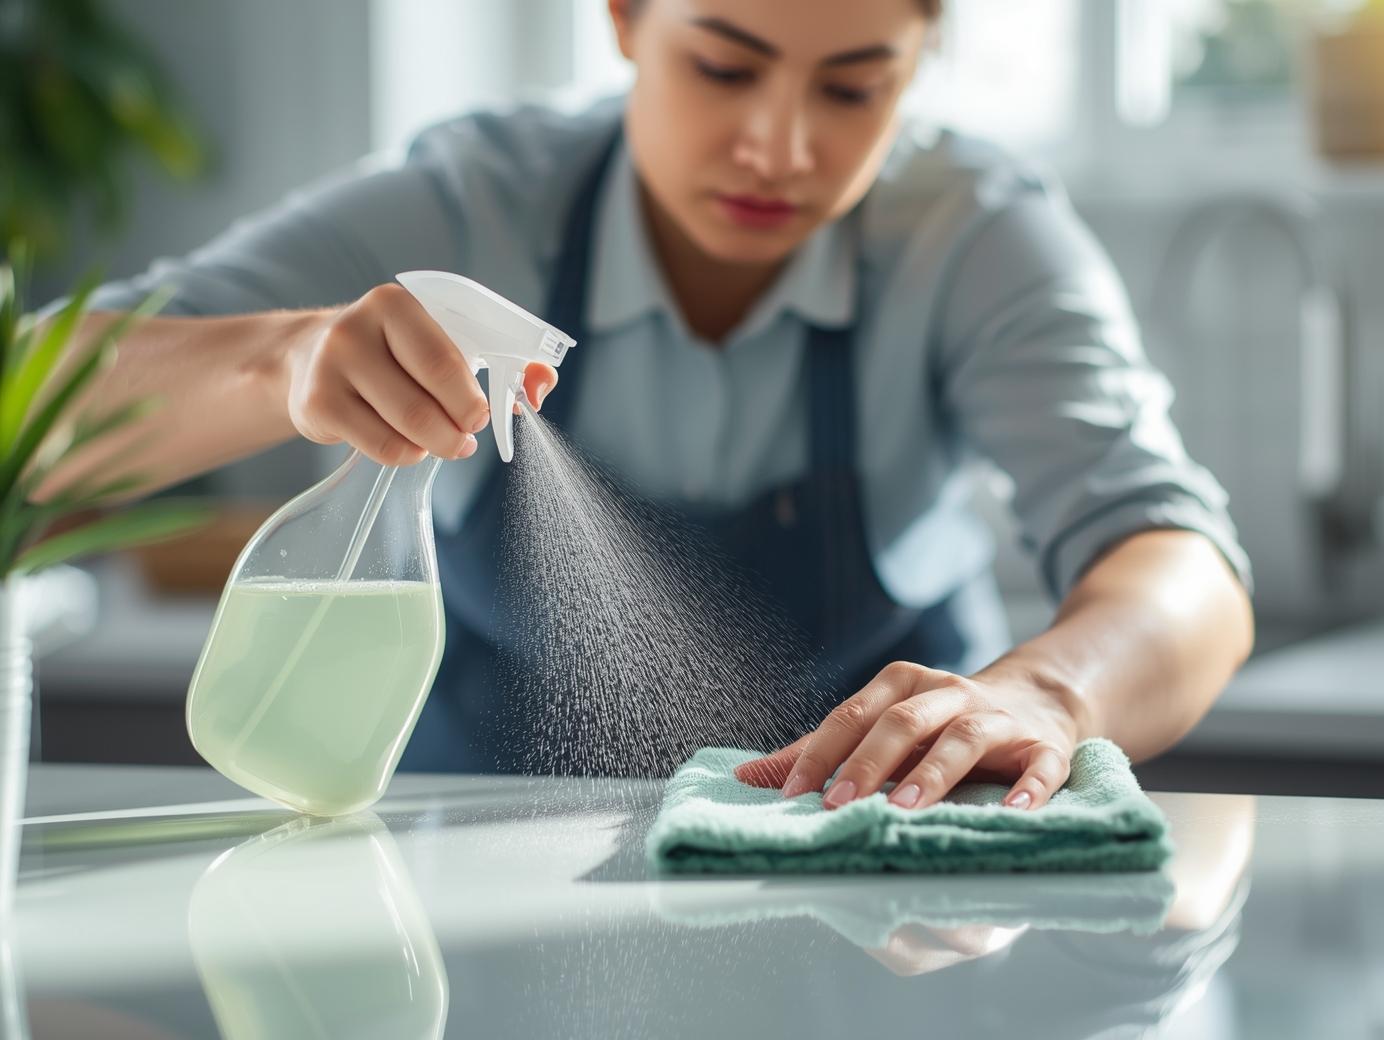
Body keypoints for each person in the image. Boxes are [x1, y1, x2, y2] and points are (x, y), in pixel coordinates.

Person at [41, 0, 1253, 809]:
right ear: (624, 17)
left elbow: (1178, 559)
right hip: (471, 879)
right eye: (724, 66)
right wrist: (280, 361)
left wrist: (1046, 692)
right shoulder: (477, 200)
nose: (777, 145)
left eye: (851, 89)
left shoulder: (973, 236)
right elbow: (30, 397)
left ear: (921, 62)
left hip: (883, 906)